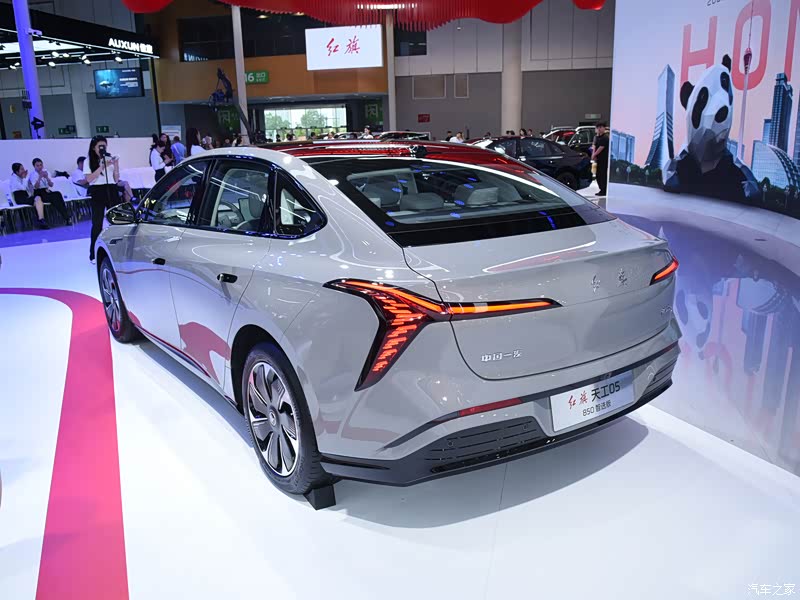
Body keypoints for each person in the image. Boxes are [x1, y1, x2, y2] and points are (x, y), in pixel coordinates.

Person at [87, 136, 121, 262]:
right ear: (93, 148)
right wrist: (102, 167)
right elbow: (89, 179)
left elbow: (116, 179)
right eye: (99, 146)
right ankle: (93, 254)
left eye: (104, 146)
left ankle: (117, 250)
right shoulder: (88, 161)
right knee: (97, 223)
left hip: (111, 189)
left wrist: (116, 165)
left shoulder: (109, 158)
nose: (102, 149)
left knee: (117, 221)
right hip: (97, 190)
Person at [30, 158, 71, 225]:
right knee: (54, 197)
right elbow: (36, 186)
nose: (40, 167)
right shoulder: (32, 175)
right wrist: (40, 177)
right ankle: (65, 217)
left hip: (46, 191)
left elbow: (51, 185)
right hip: (38, 192)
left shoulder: (46, 172)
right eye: (37, 165)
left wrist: (47, 177)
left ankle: (66, 217)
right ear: (34, 166)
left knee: (57, 194)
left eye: (41, 165)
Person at [10, 163, 48, 229]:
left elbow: (28, 188)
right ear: (16, 171)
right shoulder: (13, 179)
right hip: (19, 198)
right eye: (22, 169)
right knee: (38, 200)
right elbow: (23, 187)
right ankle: (41, 220)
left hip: (26, 196)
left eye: (23, 168)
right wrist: (25, 178)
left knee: (38, 199)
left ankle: (41, 220)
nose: (24, 170)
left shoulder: (21, 177)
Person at [592, 122, 610, 197]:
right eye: (598, 127)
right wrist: (593, 154)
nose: (599, 129)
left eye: (601, 127)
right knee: (597, 174)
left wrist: (594, 154)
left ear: (604, 128)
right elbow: (594, 146)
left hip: (604, 159)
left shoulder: (605, 137)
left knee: (603, 174)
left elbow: (601, 147)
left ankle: (604, 190)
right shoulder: (595, 137)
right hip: (597, 159)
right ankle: (601, 189)